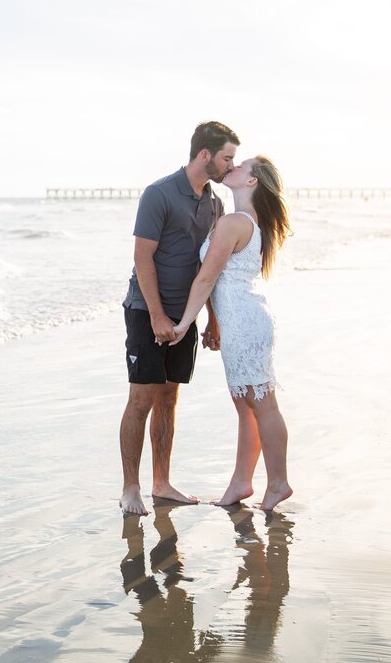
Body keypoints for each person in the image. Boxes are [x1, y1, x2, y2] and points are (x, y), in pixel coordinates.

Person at [120, 121, 239, 515]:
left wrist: (212, 320)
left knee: (169, 398)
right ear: (204, 155)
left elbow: (208, 268)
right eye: (226, 158)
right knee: (142, 398)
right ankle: (131, 488)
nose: (230, 166)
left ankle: (162, 482)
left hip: (185, 318)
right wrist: (155, 315)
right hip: (146, 311)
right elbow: (142, 258)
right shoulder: (159, 194)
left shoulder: (216, 204)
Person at [170, 156, 293, 511]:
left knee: (262, 404)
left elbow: (207, 278)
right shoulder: (245, 221)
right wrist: (213, 321)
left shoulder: (235, 222)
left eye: (243, 166)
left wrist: (183, 324)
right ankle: (241, 483)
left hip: (245, 321)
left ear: (251, 182)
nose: (234, 166)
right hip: (244, 319)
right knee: (246, 406)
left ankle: (278, 483)